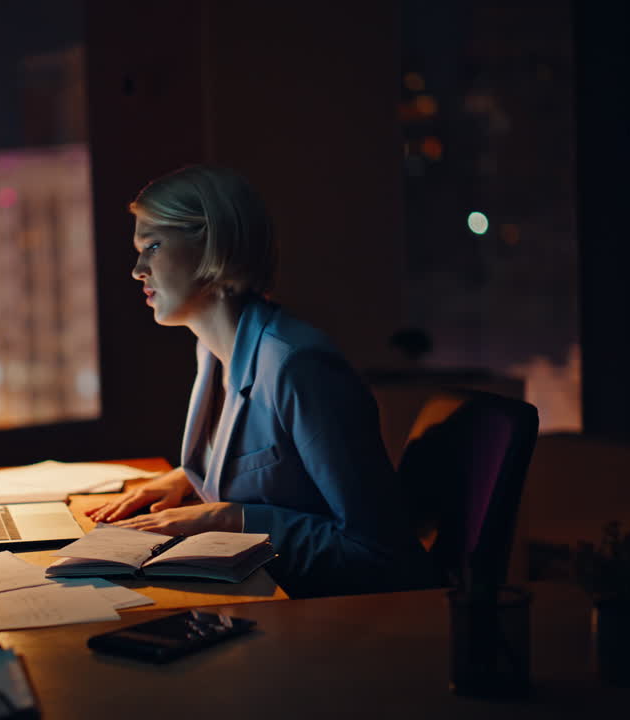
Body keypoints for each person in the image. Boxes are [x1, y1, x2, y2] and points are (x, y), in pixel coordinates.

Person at [87, 164, 427, 597]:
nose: (138, 269)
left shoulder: (298, 366)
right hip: (262, 600)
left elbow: (381, 554)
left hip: (335, 622)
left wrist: (230, 517)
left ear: (214, 246)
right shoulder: (211, 352)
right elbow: (273, 474)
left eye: (152, 246)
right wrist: (189, 478)